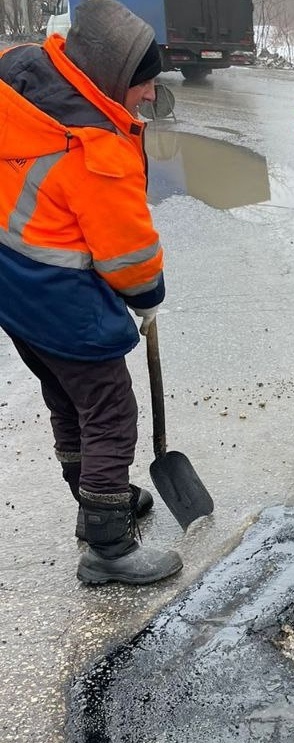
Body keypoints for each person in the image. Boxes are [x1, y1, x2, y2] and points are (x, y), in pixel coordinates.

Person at [0, 0, 182, 584]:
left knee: (66, 398)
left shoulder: (20, 81)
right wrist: (148, 296)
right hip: (58, 295)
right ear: (112, 79)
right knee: (109, 410)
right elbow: (128, 257)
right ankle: (108, 545)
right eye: (144, 83)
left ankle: (94, 501)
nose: (151, 95)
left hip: (12, 288)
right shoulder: (96, 149)